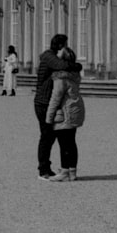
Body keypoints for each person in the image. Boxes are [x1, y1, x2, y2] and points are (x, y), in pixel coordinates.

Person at [34, 34, 82, 180]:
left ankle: (66, 171)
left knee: (59, 138)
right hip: (44, 103)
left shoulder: (54, 60)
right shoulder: (49, 57)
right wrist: (77, 66)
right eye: (65, 45)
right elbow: (64, 66)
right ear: (61, 46)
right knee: (47, 137)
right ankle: (44, 170)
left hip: (52, 104)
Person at [45, 45, 85, 182]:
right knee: (71, 142)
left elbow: (55, 98)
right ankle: (72, 171)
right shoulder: (74, 75)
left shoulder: (60, 78)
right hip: (75, 109)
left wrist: (48, 118)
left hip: (66, 112)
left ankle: (64, 171)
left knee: (64, 143)